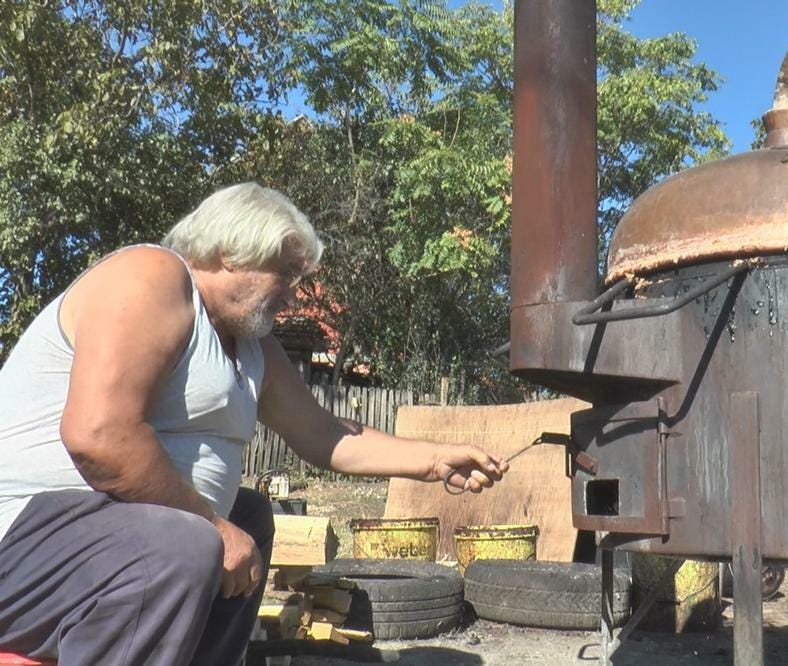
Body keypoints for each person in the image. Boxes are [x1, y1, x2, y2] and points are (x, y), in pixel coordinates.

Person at [0, 182, 508, 665]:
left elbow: (324, 434)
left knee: (248, 515)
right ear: (230, 254)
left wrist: (436, 460)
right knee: (189, 543)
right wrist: (212, 525)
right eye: (284, 274)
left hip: (113, 544)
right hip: (23, 547)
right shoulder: (149, 278)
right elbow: (99, 436)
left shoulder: (251, 346)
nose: (293, 296)